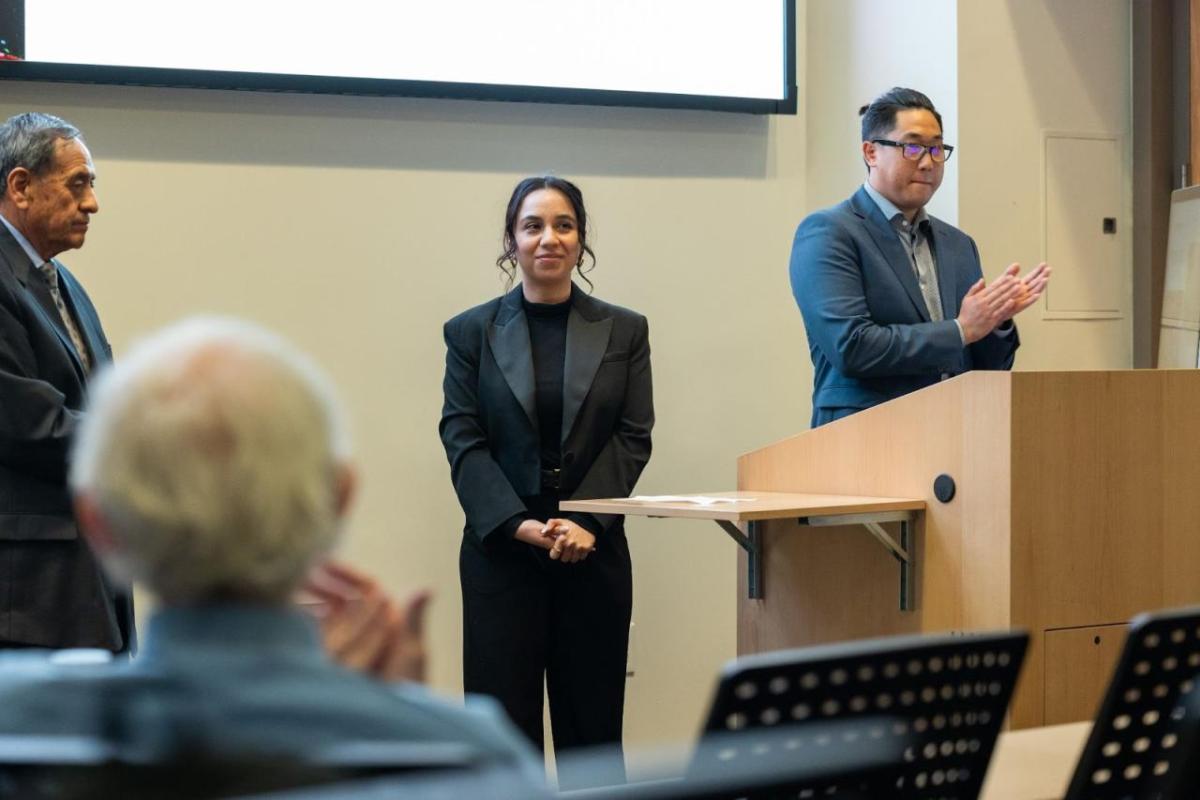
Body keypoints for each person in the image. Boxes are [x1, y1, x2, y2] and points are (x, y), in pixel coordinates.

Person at [0, 316, 539, 779]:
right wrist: (391, 725)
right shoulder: (469, 758)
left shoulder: (18, 731)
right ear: (339, 499)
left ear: (99, 522)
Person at [440, 176, 653, 778]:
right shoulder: (469, 332)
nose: (548, 238)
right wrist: (518, 525)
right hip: (502, 548)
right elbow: (462, 437)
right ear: (511, 240)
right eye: (532, 225)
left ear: (580, 240)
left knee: (593, 728)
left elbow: (633, 434)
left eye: (563, 225)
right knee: (502, 733)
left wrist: (585, 521)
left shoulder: (624, 329)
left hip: (592, 547)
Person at [789, 87, 1051, 427]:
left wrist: (994, 321)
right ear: (871, 152)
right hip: (863, 434)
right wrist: (961, 329)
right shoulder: (829, 232)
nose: (928, 162)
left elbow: (984, 367)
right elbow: (852, 347)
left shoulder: (957, 243)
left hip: (954, 430)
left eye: (937, 149)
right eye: (911, 147)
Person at [0, 111, 133, 650]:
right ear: (21, 186)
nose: (92, 203)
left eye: (92, 185)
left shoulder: (64, 282)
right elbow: (26, 423)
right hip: (27, 591)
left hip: (85, 575)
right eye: (78, 183)